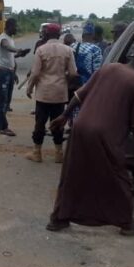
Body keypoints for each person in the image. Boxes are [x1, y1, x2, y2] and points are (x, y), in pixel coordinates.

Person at [46, 46, 134, 236]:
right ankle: (126, 223)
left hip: (80, 127)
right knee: (118, 176)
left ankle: (58, 219)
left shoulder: (108, 68)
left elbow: (79, 94)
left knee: (73, 174)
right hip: (105, 135)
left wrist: (64, 116)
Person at [25, 23, 77, 163]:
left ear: (46, 34)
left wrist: (29, 88)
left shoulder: (41, 50)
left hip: (44, 93)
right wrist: (63, 79)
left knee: (40, 123)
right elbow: (73, 73)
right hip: (60, 93)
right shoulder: (68, 50)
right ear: (59, 35)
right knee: (58, 123)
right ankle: (58, 153)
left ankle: (37, 153)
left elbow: (35, 73)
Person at [0, 18, 29, 136]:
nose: (17, 28)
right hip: (2, 72)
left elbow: (11, 57)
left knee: (6, 101)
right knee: (3, 101)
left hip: (8, 72)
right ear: (9, 26)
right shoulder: (3, 38)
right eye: (15, 26)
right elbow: (7, 47)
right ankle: (4, 127)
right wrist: (17, 50)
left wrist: (14, 71)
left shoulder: (10, 39)